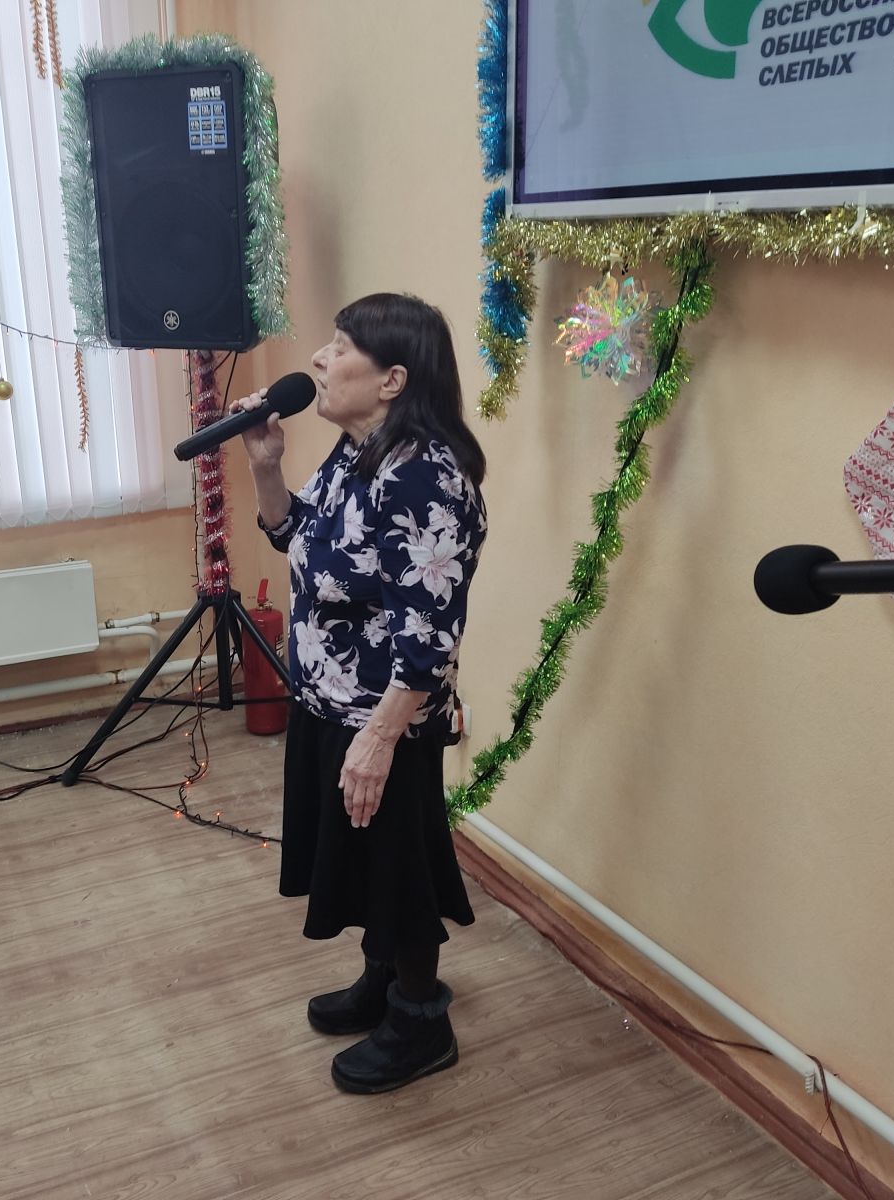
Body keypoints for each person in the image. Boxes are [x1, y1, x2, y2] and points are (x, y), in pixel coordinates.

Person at [237, 292, 488, 1094]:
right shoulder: (358, 453)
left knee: (397, 867)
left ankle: (421, 1020)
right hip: (328, 699)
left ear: (392, 380)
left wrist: (379, 739)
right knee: (367, 862)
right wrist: (266, 465)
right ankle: (383, 979)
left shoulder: (424, 478)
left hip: (385, 717)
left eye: (340, 346)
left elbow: (431, 633)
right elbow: (296, 538)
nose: (319, 357)